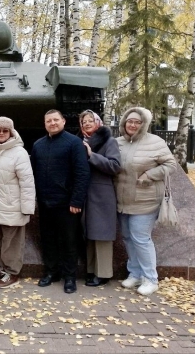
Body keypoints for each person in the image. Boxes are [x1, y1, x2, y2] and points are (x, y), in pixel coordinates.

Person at [115, 107, 176, 296]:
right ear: (124, 122)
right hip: (123, 200)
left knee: (141, 238)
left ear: (144, 124)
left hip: (145, 200)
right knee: (127, 237)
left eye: (137, 122)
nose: (132, 125)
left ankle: (151, 279)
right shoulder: (117, 142)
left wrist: (150, 174)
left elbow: (170, 164)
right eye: (129, 121)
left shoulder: (155, 142)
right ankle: (135, 273)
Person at [30, 109, 90, 294]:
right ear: (45, 123)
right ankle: (51, 272)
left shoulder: (74, 143)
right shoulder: (38, 145)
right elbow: (33, 173)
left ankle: (69, 277)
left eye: (56, 120)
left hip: (67, 203)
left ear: (63, 121)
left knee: (69, 241)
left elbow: (82, 173)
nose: (53, 123)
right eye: (49, 121)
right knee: (48, 240)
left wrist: (77, 200)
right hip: (45, 202)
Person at [0, 117, 35, 289]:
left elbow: (27, 182)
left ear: (11, 132)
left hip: (12, 207)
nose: (2, 133)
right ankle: (2, 267)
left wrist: (27, 208)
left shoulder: (19, 153)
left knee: (11, 243)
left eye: (5, 130)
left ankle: (12, 272)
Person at [77, 110, 121, 288]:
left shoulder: (109, 141)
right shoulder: (80, 141)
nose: (87, 124)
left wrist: (91, 155)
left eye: (90, 120)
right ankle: (91, 270)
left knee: (101, 234)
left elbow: (115, 165)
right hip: (84, 193)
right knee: (89, 234)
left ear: (97, 121)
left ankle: (103, 273)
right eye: (83, 121)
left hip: (101, 194)